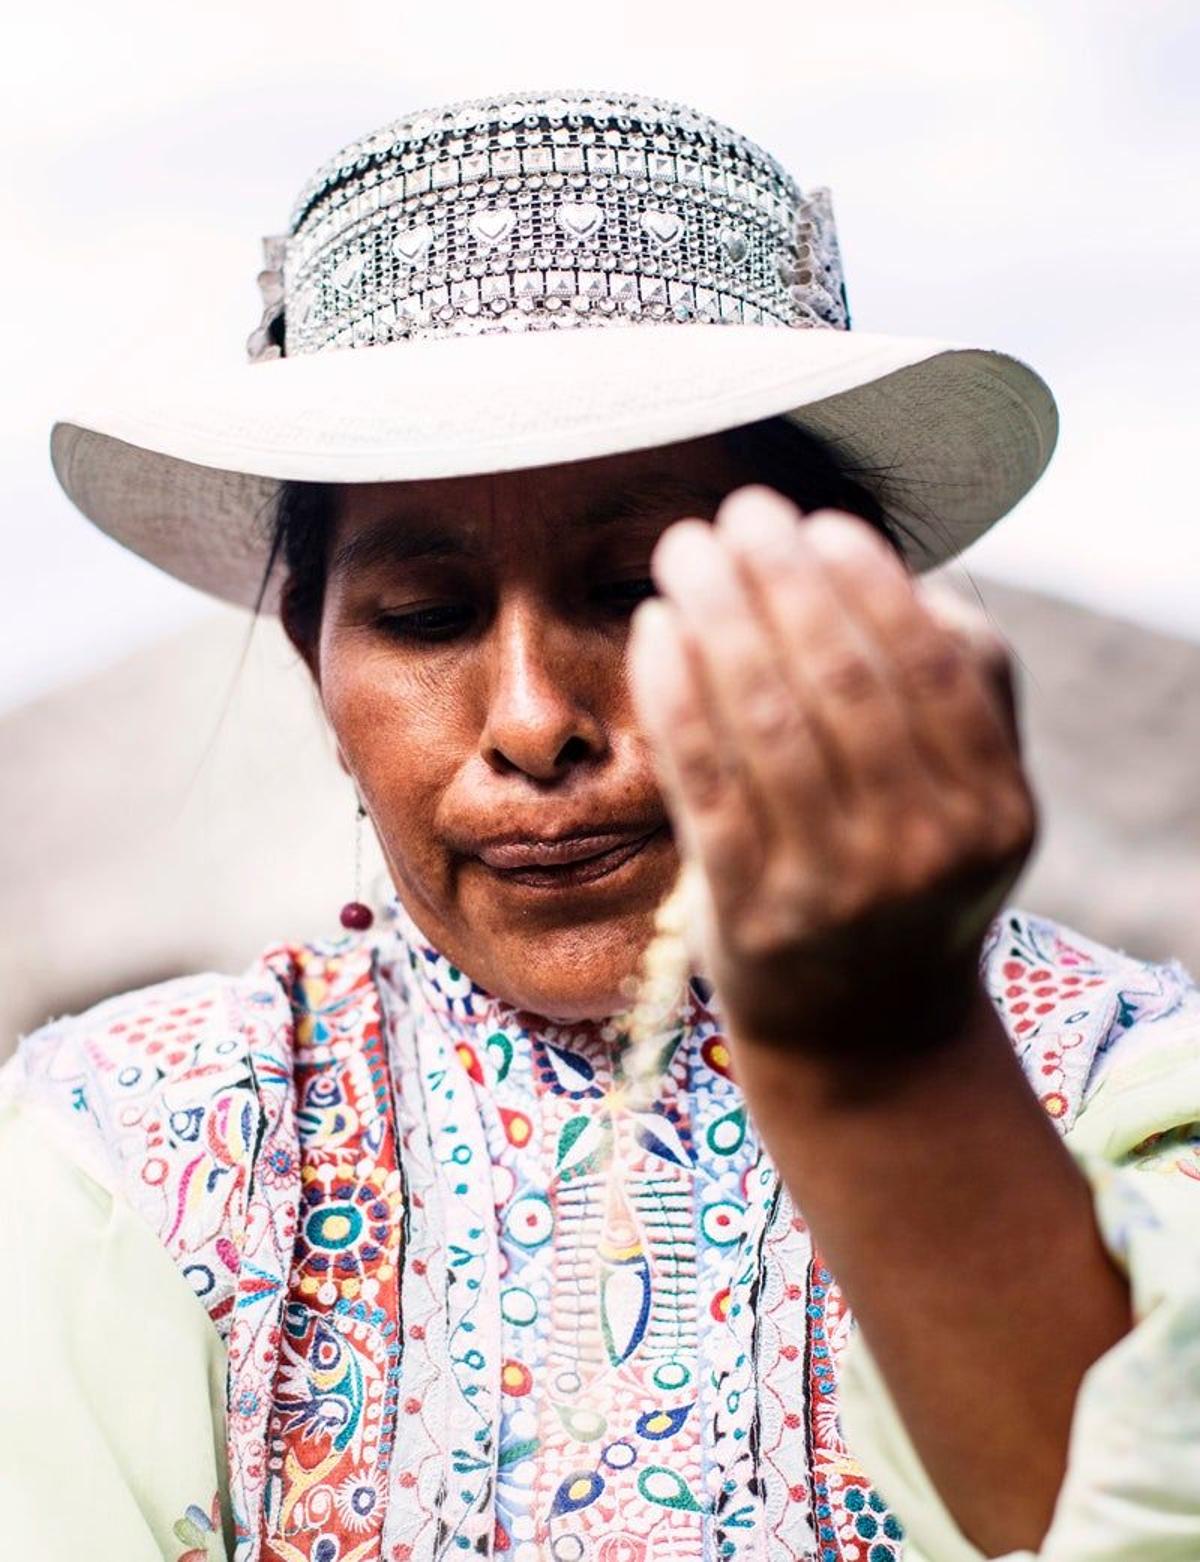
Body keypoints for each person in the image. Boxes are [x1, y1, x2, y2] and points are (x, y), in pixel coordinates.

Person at [4, 87, 1198, 1562]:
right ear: (316, 665)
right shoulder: (127, 1156)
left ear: (829, 609)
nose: (529, 718)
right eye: (427, 615)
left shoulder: (1124, 1091)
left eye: (633, 582)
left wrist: (892, 1065)